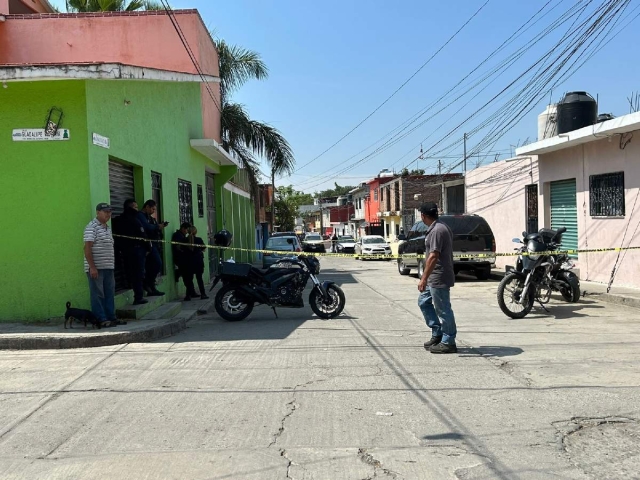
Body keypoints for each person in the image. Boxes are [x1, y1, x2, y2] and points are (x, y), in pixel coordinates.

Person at [417, 202, 457, 354]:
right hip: (433, 276)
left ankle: (449, 341)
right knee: (423, 302)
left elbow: (434, 255)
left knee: (443, 309)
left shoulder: (437, 230)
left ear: (423, 215)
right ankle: (438, 332)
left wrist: (423, 278)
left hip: (438, 276)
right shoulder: (437, 227)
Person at [83, 203, 121, 327]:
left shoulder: (107, 227)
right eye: (105, 212)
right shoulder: (92, 227)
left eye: (110, 212)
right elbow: (87, 248)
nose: (108, 214)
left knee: (109, 293)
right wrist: (92, 267)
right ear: (98, 212)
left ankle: (111, 317)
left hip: (108, 266)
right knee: (97, 294)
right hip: (96, 268)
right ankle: (101, 318)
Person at [115, 199, 149, 305]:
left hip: (125, 252)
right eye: (135, 207)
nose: (137, 209)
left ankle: (136, 292)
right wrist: (148, 248)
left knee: (130, 273)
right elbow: (143, 236)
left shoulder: (118, 220)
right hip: (137, 251)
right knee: (138, 274)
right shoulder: (135, 220)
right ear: (130, 208)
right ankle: (138, 297)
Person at [137, 200, 166, 296]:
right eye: (152, 208)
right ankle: (147, 283)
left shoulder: (149, 217)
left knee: (154, 265)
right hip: (146, 245)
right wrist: (157, 226)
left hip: (152, 244)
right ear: (147, 207)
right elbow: (146, 227)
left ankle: (151, 286)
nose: (153, 211)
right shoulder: (141, 215)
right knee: (157, 263)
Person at [186, 226, 209, 300]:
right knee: (199, 279)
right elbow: (204, 249)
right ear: (195, 232)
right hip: (198, 261)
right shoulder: (199, 240)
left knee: (189, 279)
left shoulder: (185, 240)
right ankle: (203, 294)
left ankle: (188, 295)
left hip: (188, 262)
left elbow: (181, 249)